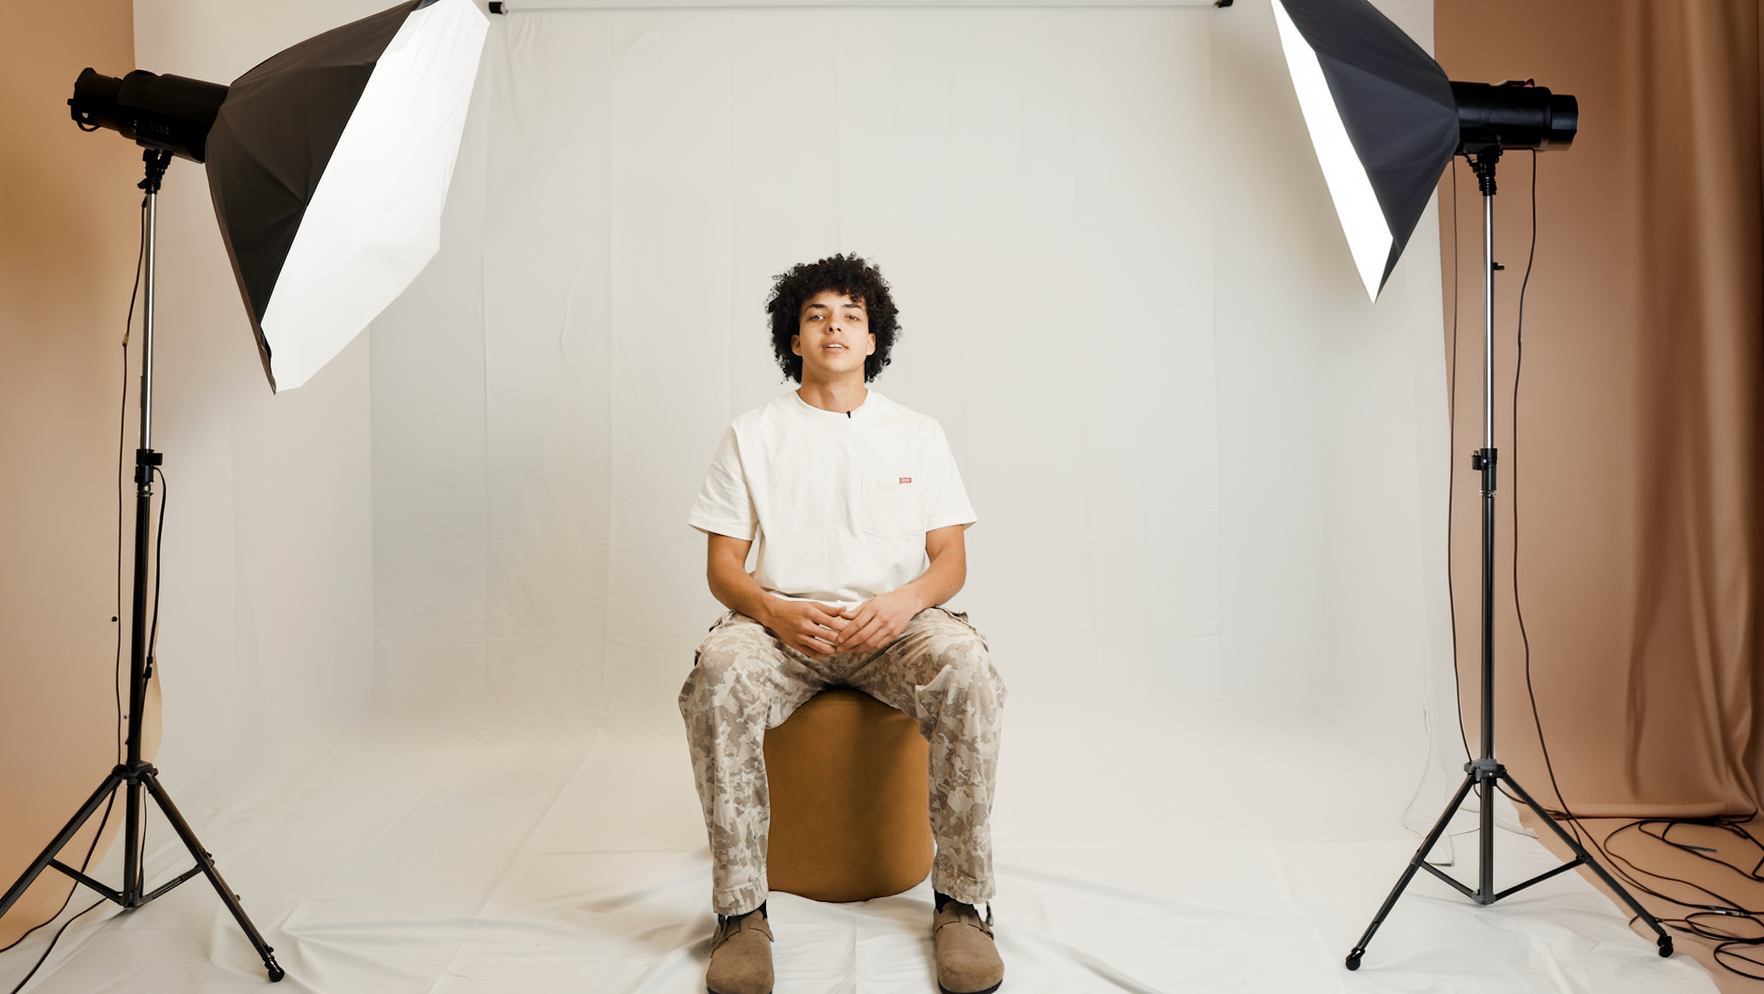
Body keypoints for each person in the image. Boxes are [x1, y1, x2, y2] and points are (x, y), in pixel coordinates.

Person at [681, 254, 1007, 994]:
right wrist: (775, 611)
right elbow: (724, 567)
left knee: (967, 666)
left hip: (894, 626)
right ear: (794, 338)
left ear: (872, 339)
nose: (834, 327)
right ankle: (740, 915)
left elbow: (950, 561)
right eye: (817, 315)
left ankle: (963, 904)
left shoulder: (918, 433)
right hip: (782, 627)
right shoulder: (752, 434)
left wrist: (905, 602)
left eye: (851, 316)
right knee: (719, 673)